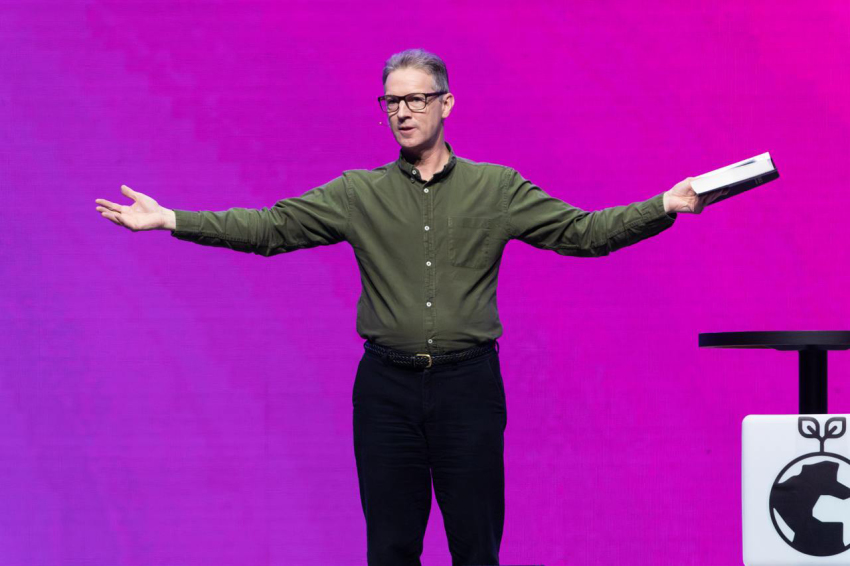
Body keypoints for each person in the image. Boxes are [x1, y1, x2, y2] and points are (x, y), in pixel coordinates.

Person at [95, 48, 719, 566]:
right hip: (386, 390)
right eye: (392, 102)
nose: (404, 112)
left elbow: (584, 233)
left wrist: (662, 205)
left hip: (468, 387)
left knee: (476, 547)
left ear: (446, 104)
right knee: (390, 548)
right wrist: (171, 219)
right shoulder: (357, 193)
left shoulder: (496, 188)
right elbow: (270, 228)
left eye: (417, 99)